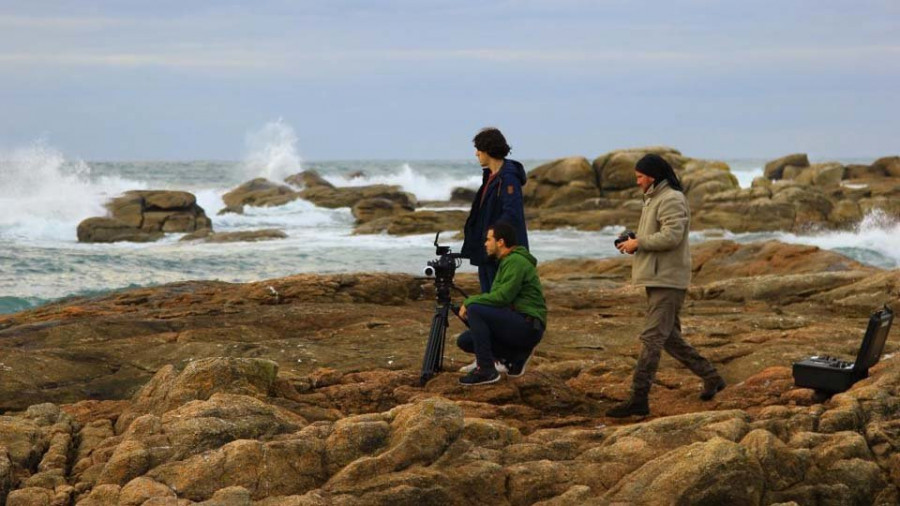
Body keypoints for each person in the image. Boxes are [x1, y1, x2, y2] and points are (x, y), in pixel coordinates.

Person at [607, 154, 726, 417]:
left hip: (668, 280)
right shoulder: (654, 198)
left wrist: (639, 243)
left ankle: (639, 398)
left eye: (639, 177)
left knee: (652, 338)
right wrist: (634, 239)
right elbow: (659, 233)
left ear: (652, 176)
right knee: (669, 338)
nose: (637, 182)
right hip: (658, 277)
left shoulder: (671, 198)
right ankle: (712, 377)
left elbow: (672, 236)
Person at [456, 222, 546, 386]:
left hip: (528, 325)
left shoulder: (516, 261)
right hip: (518, 323)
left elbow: (502, 297)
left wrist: (470, 301)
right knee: (466, 340)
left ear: (501, 242)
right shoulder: (506, 261)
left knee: (475, 309)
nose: (485, 243)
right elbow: (497, 299)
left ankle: (486, 370)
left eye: (488, 239)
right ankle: (514, 358)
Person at [461, 127, 529, 294]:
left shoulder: (508, 178)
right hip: (487, 251)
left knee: (497, 298)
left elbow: (511, 215)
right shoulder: (491, 176)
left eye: (478, 149)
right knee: (488, 296)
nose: (476, 154)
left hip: (500, 252)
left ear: (488, 150)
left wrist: (493, 238)